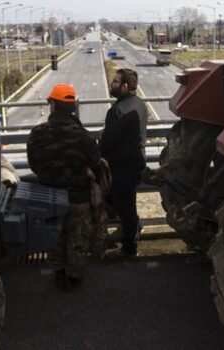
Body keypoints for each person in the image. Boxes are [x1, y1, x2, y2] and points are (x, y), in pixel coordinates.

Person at [27, 83, 104, 291]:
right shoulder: (85, 137)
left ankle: (58, 273)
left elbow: (33, 164)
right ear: (72, 107)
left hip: (49, 196)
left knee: (55, 235)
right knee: (77, 237)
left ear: (52, 106)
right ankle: (74, 276)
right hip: (78, 198)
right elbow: (97, 167)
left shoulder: (38, 133)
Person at [100, 68, 148, 258]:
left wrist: (101, 141)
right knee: (124, 203)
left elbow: (108, 144)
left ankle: (129, 247)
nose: (112, 83)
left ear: (125, 86)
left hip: (120, 168)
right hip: (136, 164)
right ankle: (132, 229)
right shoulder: (140, 104)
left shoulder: (117, 110)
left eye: (116, 81)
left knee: (124, 206)